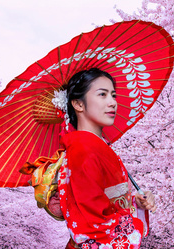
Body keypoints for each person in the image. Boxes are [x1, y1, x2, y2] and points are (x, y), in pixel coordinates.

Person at [57, 68, 157, 249]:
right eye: (102, 95)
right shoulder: (82, 150)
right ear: (78, 104)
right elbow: (94, 223)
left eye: (113, 95)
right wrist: (135, 223)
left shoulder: (95, 147)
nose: (112, 103)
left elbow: (112, 202)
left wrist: (136, 203)